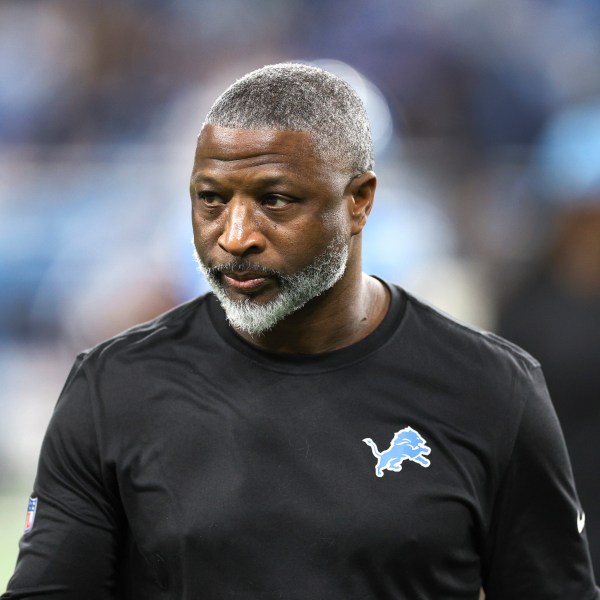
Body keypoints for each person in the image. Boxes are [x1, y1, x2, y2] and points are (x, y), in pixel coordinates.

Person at [2, 63, 598, 600]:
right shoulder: (112, 389)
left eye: (276, 200)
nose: (234, 235)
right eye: (211, 199)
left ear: (360, 201)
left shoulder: (492, 388)